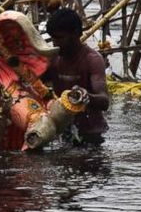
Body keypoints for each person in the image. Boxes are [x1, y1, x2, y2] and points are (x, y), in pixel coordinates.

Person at [42, 8, 110, 146]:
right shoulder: (53, 59)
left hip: (91, 134)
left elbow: (104, 102)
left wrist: (85, 97)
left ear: (75, 34)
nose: (55, 43)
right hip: (61, 131)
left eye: (59, 38)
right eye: (53, 38)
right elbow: (33, 82)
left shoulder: (92, 60)